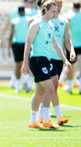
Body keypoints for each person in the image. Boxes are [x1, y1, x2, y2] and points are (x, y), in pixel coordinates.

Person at [21, 0, 71, 129]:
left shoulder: (50, 26)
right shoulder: (36, 24)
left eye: (56, 11)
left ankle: (33, 120)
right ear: (46, 10)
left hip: (45, 61)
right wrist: (25, 63)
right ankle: (46, 119)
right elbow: (27, 44)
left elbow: (56, 45)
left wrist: (65, 60)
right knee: (50, 88)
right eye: (53, 11)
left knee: (39, 92)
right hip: (36, 60)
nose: (55, 13)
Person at [59, 1, 81, 94]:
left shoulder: (69, 17)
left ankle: (70, 86)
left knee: (70, 66)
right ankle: (80, 87)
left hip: (72, 45)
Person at [8, 7, 30, 93]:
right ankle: (26, 84)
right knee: (26, 64)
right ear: (24, 11)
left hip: (16, 44)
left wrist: (9, 49)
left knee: (17, 65)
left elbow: (11, 35)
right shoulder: (29, 20)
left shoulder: (14, 21)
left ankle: (18, 87)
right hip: (26, 44)